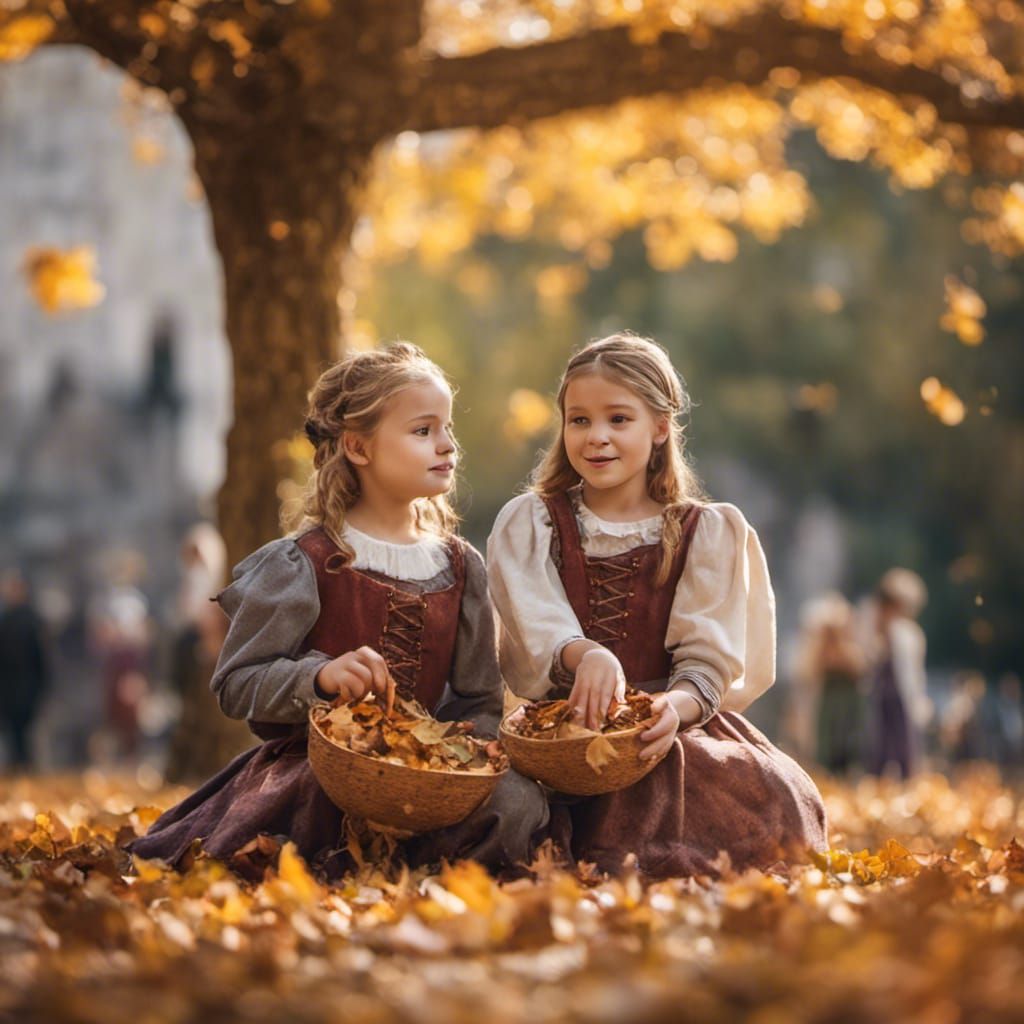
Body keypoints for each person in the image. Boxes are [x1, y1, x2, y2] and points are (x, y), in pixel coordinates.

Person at [128, 343, 548, 879]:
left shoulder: (462, 567)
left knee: (516, 802)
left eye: (447, 429)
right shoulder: (303, 562)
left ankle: (434, 878)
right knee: (319, 807)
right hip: (319, 768)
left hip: (433, 779)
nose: (447, 445)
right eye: (423, 431)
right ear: (358, 446)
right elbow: (236, 683)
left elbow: (479, 698)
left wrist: (454, 760)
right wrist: (320, 677)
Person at [487, 333, 827, 877]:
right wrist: (585, 654)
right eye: (579, 420)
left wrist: (673, 709)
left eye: (618, 419)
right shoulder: (534, 523)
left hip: (669, 725)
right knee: (511, 808)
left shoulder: (705, 532)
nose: (596, 437)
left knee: (773, 797)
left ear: (661, 427)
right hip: (561, 731)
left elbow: (707, 661)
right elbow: (534, 622)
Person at [862, 568, 931, 778]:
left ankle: (907, 780)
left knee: (904, 744)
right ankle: (877, 778)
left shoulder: (909, 634)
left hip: (901, 697)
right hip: (881, 696)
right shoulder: (875, 631)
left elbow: (913, 673)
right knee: (879, 744)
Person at [792, 593, 867, 775]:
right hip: (827, 704)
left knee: (845, 747)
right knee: (825, 747)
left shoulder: (851, 652)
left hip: (845, 707)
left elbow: (860, 673)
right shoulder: (816, 653)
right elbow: (807, 676)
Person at [0, 570, 50, 770]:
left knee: (26, 735)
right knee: (13, 736)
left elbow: (41, 659)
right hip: (8, 687)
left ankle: (27, 770)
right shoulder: (5, 621)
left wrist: (41, 686)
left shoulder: (33, 621)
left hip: (27, 687)